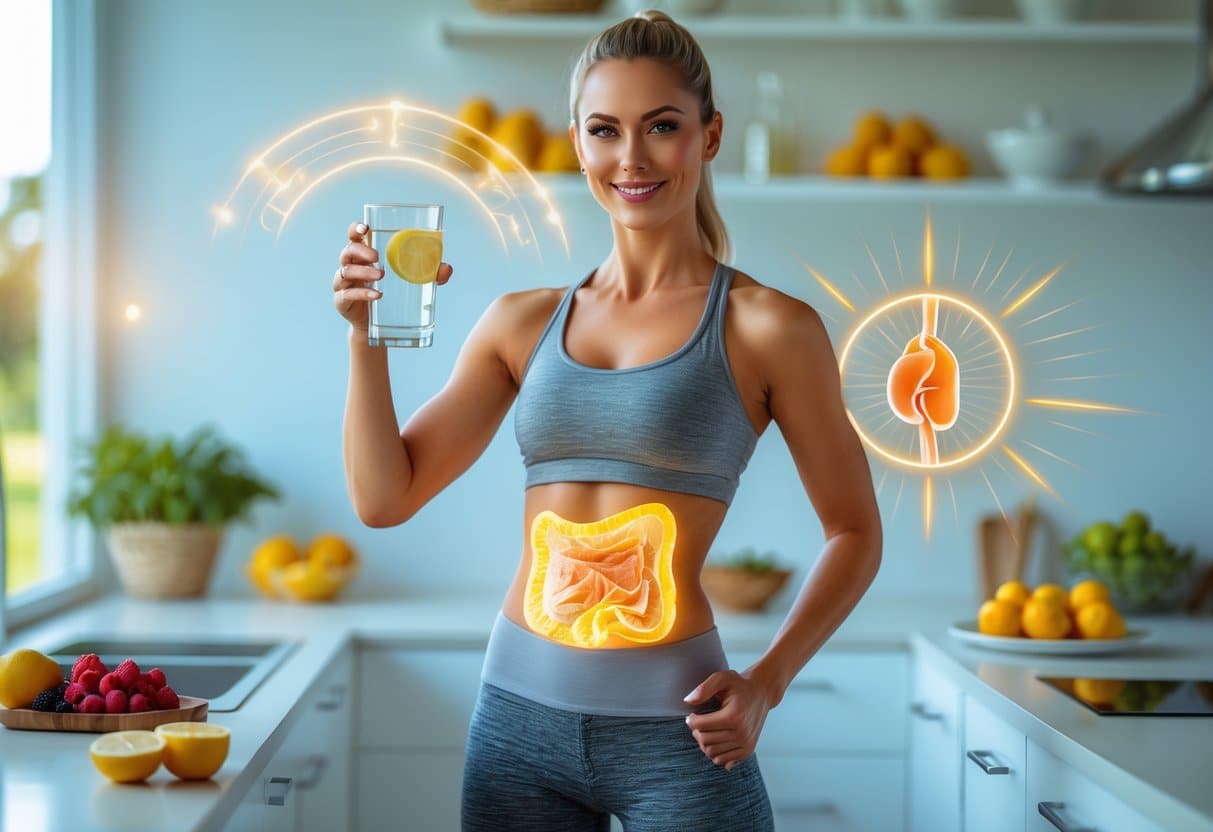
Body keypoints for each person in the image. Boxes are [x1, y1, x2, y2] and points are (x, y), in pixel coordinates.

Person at [333, 9, 882, 831]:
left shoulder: (769, 327)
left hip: (682, 730)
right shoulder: (520, 323)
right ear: (578, 144)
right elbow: (385, 498)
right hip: (515, 725)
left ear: (709, 135)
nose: (631, 158)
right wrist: (365, 337)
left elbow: (853, 531)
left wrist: (767, 681)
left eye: (662, 126)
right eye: (604, 130)